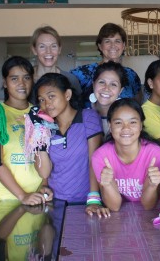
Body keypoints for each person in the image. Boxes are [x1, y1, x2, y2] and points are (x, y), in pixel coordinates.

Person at [33, 73, 107, 217]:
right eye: (41, 100)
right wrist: (44, 185)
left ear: (67, 94)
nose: (47, 104)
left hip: (86, 202)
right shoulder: (45, 128)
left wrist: (93, 199)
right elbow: (44, 172)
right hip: (56, 202)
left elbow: (95, 161)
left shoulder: (88, 117)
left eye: (51, 96)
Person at [0, 56, 53, 206]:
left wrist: (44, 185)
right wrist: (22, 196)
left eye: (26, 78)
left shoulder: (39, 112)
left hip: (37, 197)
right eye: (14, 78)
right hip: (6, 199)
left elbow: (44, 152)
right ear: (5, 82)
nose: (21, 84)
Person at [91, 99, 160, 211]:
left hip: (149, 217)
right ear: (110, 126)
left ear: (141, 125)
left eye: (132, 122)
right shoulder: (100, 156)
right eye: (118, 123)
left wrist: (152, 185)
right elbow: (115, 207)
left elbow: (148, 206)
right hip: (118, 219)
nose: (126, 128)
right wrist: (107, 185)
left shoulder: (156, 155)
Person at [70, 23, 142, 105]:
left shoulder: (131, 75)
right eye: (107, 41)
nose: (113, 45)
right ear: (100, 46)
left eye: (117, 41)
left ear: (124, 45)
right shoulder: (81, 73)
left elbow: (137, 104)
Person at [30, 25, 81, 96]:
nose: (48, 51)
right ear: (34, 50)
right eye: (42, 46)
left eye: (53, 46)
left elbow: (77, 106)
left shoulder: (71, 80)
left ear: (59, 49)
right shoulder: (26, 79)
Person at [88, 61, 127, 135]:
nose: (106, 88)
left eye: (113, 84)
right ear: (93, 85)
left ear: (120, 91)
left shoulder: (126, 117)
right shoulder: (82, 114)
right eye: (102, 82)